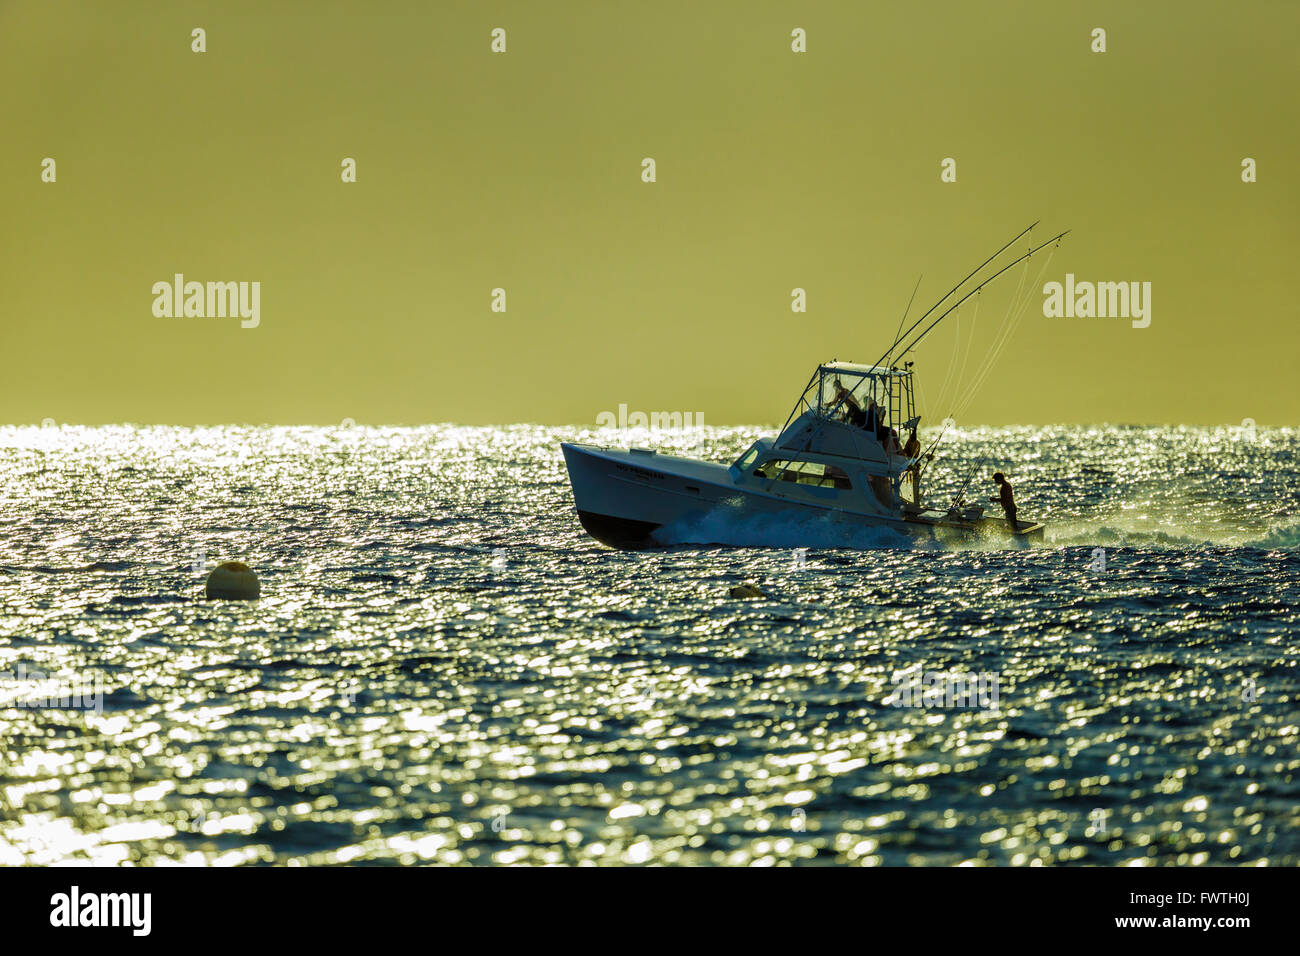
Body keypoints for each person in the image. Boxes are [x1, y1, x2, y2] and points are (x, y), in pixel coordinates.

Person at [903, 429, 922, 503]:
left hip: (912, 463)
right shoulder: (914, 443)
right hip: (910, 462)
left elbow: (915, 455)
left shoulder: (917, 443)